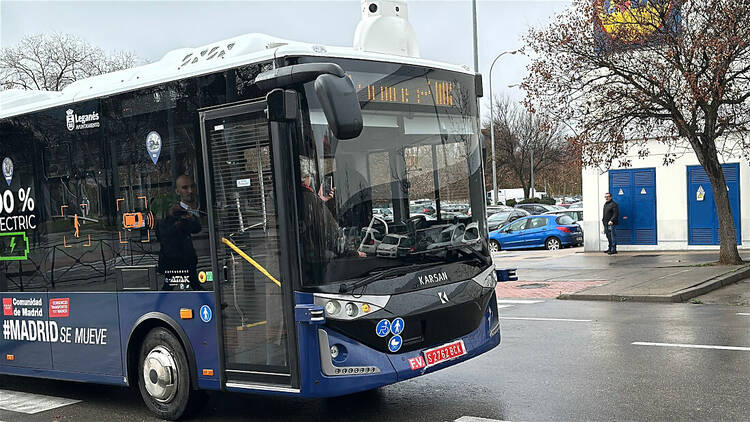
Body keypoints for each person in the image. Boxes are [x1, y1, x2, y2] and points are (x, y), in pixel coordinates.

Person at [157, 174, 202, 290]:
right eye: (185, 188)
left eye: (192, 187)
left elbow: (197, 228)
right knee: (172, 286)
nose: (190, 191)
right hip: (176, 259)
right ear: (178, 191)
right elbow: (164, 234)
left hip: (187, 259)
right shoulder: (173, 213)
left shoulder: (201, 209)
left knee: (192, 284)